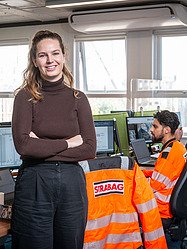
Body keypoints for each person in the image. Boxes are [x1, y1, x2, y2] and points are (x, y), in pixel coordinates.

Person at [11, 30, 96, 249]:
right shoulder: (25, 97)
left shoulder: (78, 98)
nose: (50, 60)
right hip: (34, 183)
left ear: (63, 55)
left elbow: (89, 149)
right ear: (34, 60)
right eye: (43, 55)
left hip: (72, 186)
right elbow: (24, 146)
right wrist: (69, 142)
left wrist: (40, 145)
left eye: (55, 53)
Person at [142, 110, 187, 249]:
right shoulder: (178, 147)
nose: (151, 129)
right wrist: (145, 173)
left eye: (155, 126)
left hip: (162, 211)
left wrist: (133, 180)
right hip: (174, 206)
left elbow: (152, 187)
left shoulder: (168, 154)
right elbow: (165, 175)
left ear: (167, 130)